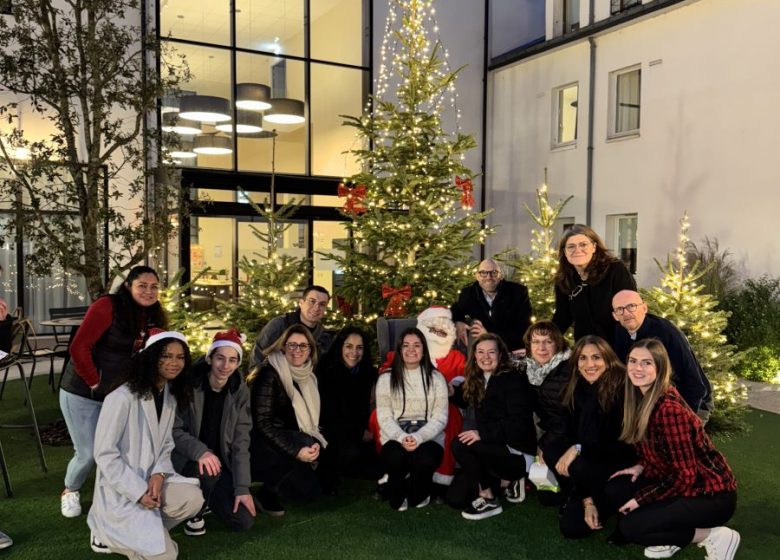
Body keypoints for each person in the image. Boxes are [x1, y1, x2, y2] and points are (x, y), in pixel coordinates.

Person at [605, 339, 739, 560]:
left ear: (660, 368)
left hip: (711, 494)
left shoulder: (668, 410)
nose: (638, 368)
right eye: (633, 361)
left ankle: (712, 536)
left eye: (647, 363)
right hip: (677, 481)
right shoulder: (640, 397)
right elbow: (661, 452)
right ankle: (670, 536)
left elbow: (685, 476)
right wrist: (640, 466)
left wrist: (641, 499)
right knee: (616, 489)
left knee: (631, 528)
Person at [59, 265, 167, 518]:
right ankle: (70, 490)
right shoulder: (107, 306)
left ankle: (110, 494)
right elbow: (79, 347)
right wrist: (95, 382)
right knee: (87, 453)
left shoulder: (153, 315)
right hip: (82, 392)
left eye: (154, 287)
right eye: (142, 286)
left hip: (119, 396)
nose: (149, 292)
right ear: (128, 286)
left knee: (116, 450)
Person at [87, 329, 204, 559]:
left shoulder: (168, 393)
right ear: (151, 357)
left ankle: (147, 530)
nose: (174, 363)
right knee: (165, 556)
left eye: (180, 357)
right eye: (166, 356)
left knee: (193, 499)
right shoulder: (121, 397)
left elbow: (166, 443)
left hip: (152, 482)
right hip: (123, 490)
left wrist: (160, 474)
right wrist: (139, 492)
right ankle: (103, 531)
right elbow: (105, 454)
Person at [172, 328, 254, 536]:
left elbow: (240, 441)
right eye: (220, 358)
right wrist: (200, 452)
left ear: (237, 363)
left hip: (219, 467)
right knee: (207, 470)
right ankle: (195, 511)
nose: (225, 366)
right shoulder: (188, 385)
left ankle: (207, 499)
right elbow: (174, 429)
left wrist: (242, 488)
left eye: (232, 360)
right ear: (209, 358)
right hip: (188, 461)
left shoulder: (240, 392)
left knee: (243, 521)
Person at [447, 333, 536, 520]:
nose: (485, 357)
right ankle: (505, 482)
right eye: (480, 352)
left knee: (460, 443)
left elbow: (519, 424)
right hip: (491, 450)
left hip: (515, 452)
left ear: (501, 355)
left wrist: (482, 433)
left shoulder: (513, 380)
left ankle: (489, 498)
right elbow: (466, 400)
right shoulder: (478, 378)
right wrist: (452, 392)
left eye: (491, 352)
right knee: (456, 499)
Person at [555, 336, 636, 539]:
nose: (589, 364)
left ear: (608, 359)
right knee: (571, 528)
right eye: (583, 358)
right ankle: (587, 500)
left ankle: (620, 508)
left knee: (578, 462)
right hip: (589, 466)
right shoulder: (575, 388)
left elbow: (624, 445)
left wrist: (578, 448)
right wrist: (587, 501)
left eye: (596, 357)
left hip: (620, 465)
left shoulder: (623, 388)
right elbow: (568, 434)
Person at [248, 325, 328, 516]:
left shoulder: (307, 376)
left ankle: (287, 479)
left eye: (303, 346)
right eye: (292, 345)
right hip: (261, 444)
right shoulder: (268, 374)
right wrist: (297, 450)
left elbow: (309, 422)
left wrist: (313, 442)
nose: (297, 351)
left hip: (290, 438)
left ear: (310, 350)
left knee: (311, 493)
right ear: (282, 347)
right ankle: (267, 492)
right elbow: (262, 425)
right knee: (306, 452)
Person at [612, 289, 713, 422]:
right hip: (650, 401)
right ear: (615, 316)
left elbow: (695, 384)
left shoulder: (666, 333)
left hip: (691, 402)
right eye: (620, 309)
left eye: (631, 306)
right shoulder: (619, 333)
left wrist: (682, 421)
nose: (626, 313)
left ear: (644, 308)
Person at [375, 328, 448, 511]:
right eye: (406, 345)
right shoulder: (386, 379)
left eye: (417, 345)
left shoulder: (437, 378)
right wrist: (401, 438)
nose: (411, 350)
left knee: (425, 459)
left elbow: (440, 417)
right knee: (395, 457)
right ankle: (397, 486)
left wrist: (418, 437)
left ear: (424, 349)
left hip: (428, 437)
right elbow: (384, 417)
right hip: (395, 436)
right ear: (399, 349)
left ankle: (420, 489)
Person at [552, 224, 636, 344]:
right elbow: (562, 316)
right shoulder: (563, 278)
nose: (577, 250)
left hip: (616, 345)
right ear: (564, 252)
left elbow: (630, 310)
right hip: (585, 346)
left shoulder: (615, 269)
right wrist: (547, 339)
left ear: (594, 247)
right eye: (571, 246)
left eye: (583, 244)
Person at [316, 326, 378, 483]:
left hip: (360, 430)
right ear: (340, 347)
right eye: (349, 346)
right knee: (350, 453)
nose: (354, 352)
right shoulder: (326, 371)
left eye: (359, 348)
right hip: (332, 431)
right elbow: (328, 416)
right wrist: (359, 432)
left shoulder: (367, 372)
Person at [451, 259, 532, 354]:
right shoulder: (468, 294)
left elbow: (524, 328)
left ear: (501, 276)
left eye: (494, 272)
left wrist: (489, 335)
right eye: (483, 273)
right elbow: (456, 310)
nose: (488, 277)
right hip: (484, 349)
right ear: (477, 276)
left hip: (511, 348)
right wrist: (459, 322)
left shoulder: (518, 292)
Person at [521, 321, 572, 472]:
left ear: (558, 344)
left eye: (548, 342)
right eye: (536, 342)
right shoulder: (531, 369)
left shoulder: (566, 371)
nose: (541, 348)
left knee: (545, 466)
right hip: (548, 431)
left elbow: (566, 419)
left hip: (568, 435)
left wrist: (543, 444)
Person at [251, 285, 333, 367]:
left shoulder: (323, 336)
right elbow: (258, 356)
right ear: (301, 303)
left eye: (322, 304)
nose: (316, 308)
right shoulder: (278, 325)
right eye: (312, 301)